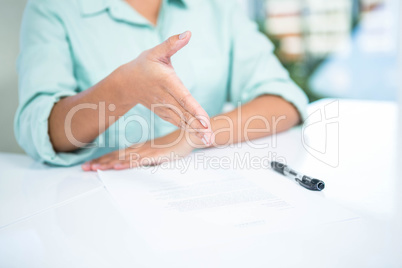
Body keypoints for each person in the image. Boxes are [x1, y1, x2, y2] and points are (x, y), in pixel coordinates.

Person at [14, 0, 308, 171]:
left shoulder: (218, 6)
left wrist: (187, 137)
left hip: (200, 190)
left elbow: (285, 102)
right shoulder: (52, 8)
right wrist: (123, 88)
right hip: (91, 196)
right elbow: (42, 131)